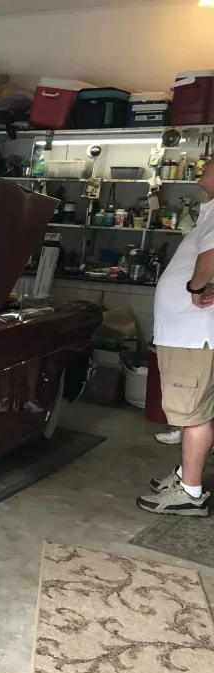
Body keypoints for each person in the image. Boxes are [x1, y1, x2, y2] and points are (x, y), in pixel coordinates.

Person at [137, 165, 214, 517]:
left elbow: (211, 254)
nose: (203, 168)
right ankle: (187, 475)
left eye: (210, 163)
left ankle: (191, 493)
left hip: (192, 332)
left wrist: (196, 287)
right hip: (191, 333)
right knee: (198, 411)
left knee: (193, 415)